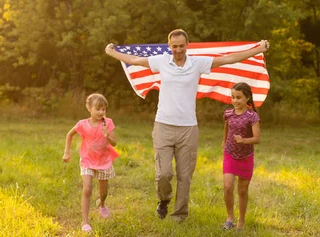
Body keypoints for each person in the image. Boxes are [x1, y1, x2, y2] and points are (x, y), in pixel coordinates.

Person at [105, 29, 269, 221]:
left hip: (188, 128)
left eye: (181, 46)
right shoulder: (161, 61)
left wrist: (257, 49)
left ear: (187, 45)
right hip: (163, 126)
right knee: (164, 173)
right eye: (174, 46)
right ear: (169, 46)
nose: (178, 50)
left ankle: (179, 215)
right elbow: (134, 60)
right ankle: (164, 199)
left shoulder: (197, 63)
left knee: (185, 175)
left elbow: (228, 59)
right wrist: (112, 52)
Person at [62, 93, 118, 233]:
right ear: (89, 108)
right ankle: (85, 222)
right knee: (87, 189)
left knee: (103, 192)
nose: (101, 112)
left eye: (104, 109)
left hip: (104, 161)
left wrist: (108, 136)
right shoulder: (82, 124)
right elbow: (69, 135)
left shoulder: (108, 123)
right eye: (98, 109)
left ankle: (102, 203)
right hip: (87, 160)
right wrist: (67, 152)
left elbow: (115, 143)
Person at [221, 82, 261, 231]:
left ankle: (241, 222)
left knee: (242, 190)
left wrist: (243, 140)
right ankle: (229, 218)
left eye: (239, 97)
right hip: (230, 154)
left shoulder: (252, 116)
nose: (235, 100)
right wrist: (224, 141)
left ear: (247, 97)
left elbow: (257, 138)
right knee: (227, 186)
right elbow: (227, 127)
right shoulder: (228, 113)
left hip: (246, 156)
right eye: (233, 97)